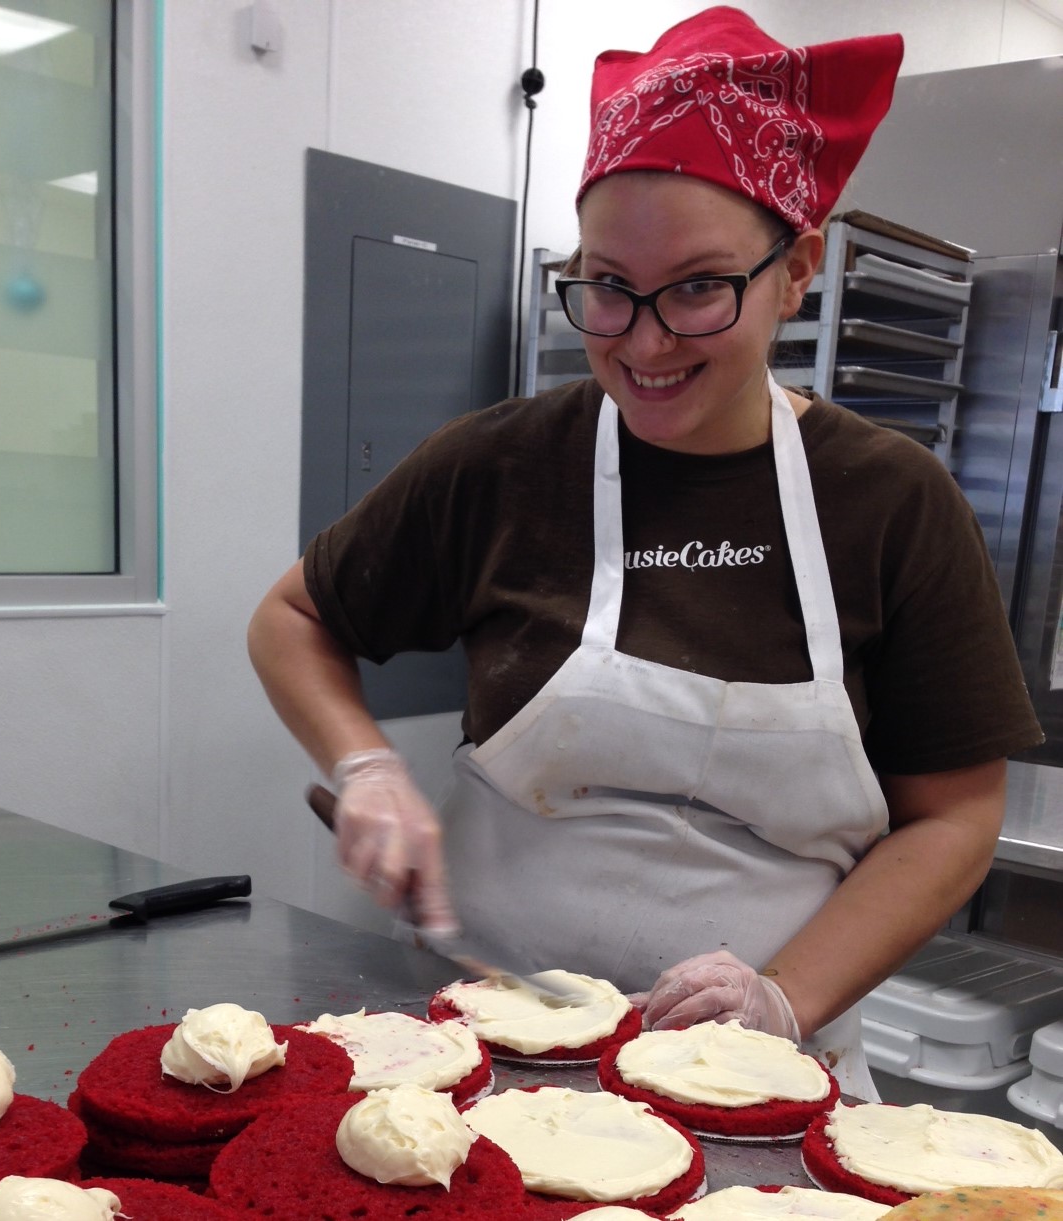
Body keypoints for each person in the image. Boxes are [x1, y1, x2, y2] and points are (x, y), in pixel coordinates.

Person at [249, 6, 1043, 1099]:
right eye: (608, 287)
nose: (644, 341)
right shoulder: (504, 464)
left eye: (699, 288)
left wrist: (780, 998)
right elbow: (293, 620)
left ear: (796, 270)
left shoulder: (889, 501)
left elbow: (954, 816)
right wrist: (367, 767)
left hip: (763, 1075)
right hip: (489, 1043)